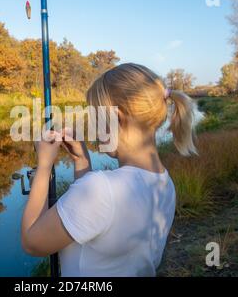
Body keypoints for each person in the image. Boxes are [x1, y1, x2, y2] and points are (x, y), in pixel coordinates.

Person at [21, 63, 198, 277]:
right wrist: (81, 160)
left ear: (117, 118)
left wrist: (44, 166)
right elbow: (98, 221)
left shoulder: (102, 189)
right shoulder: (165, 184)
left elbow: (32, 243)